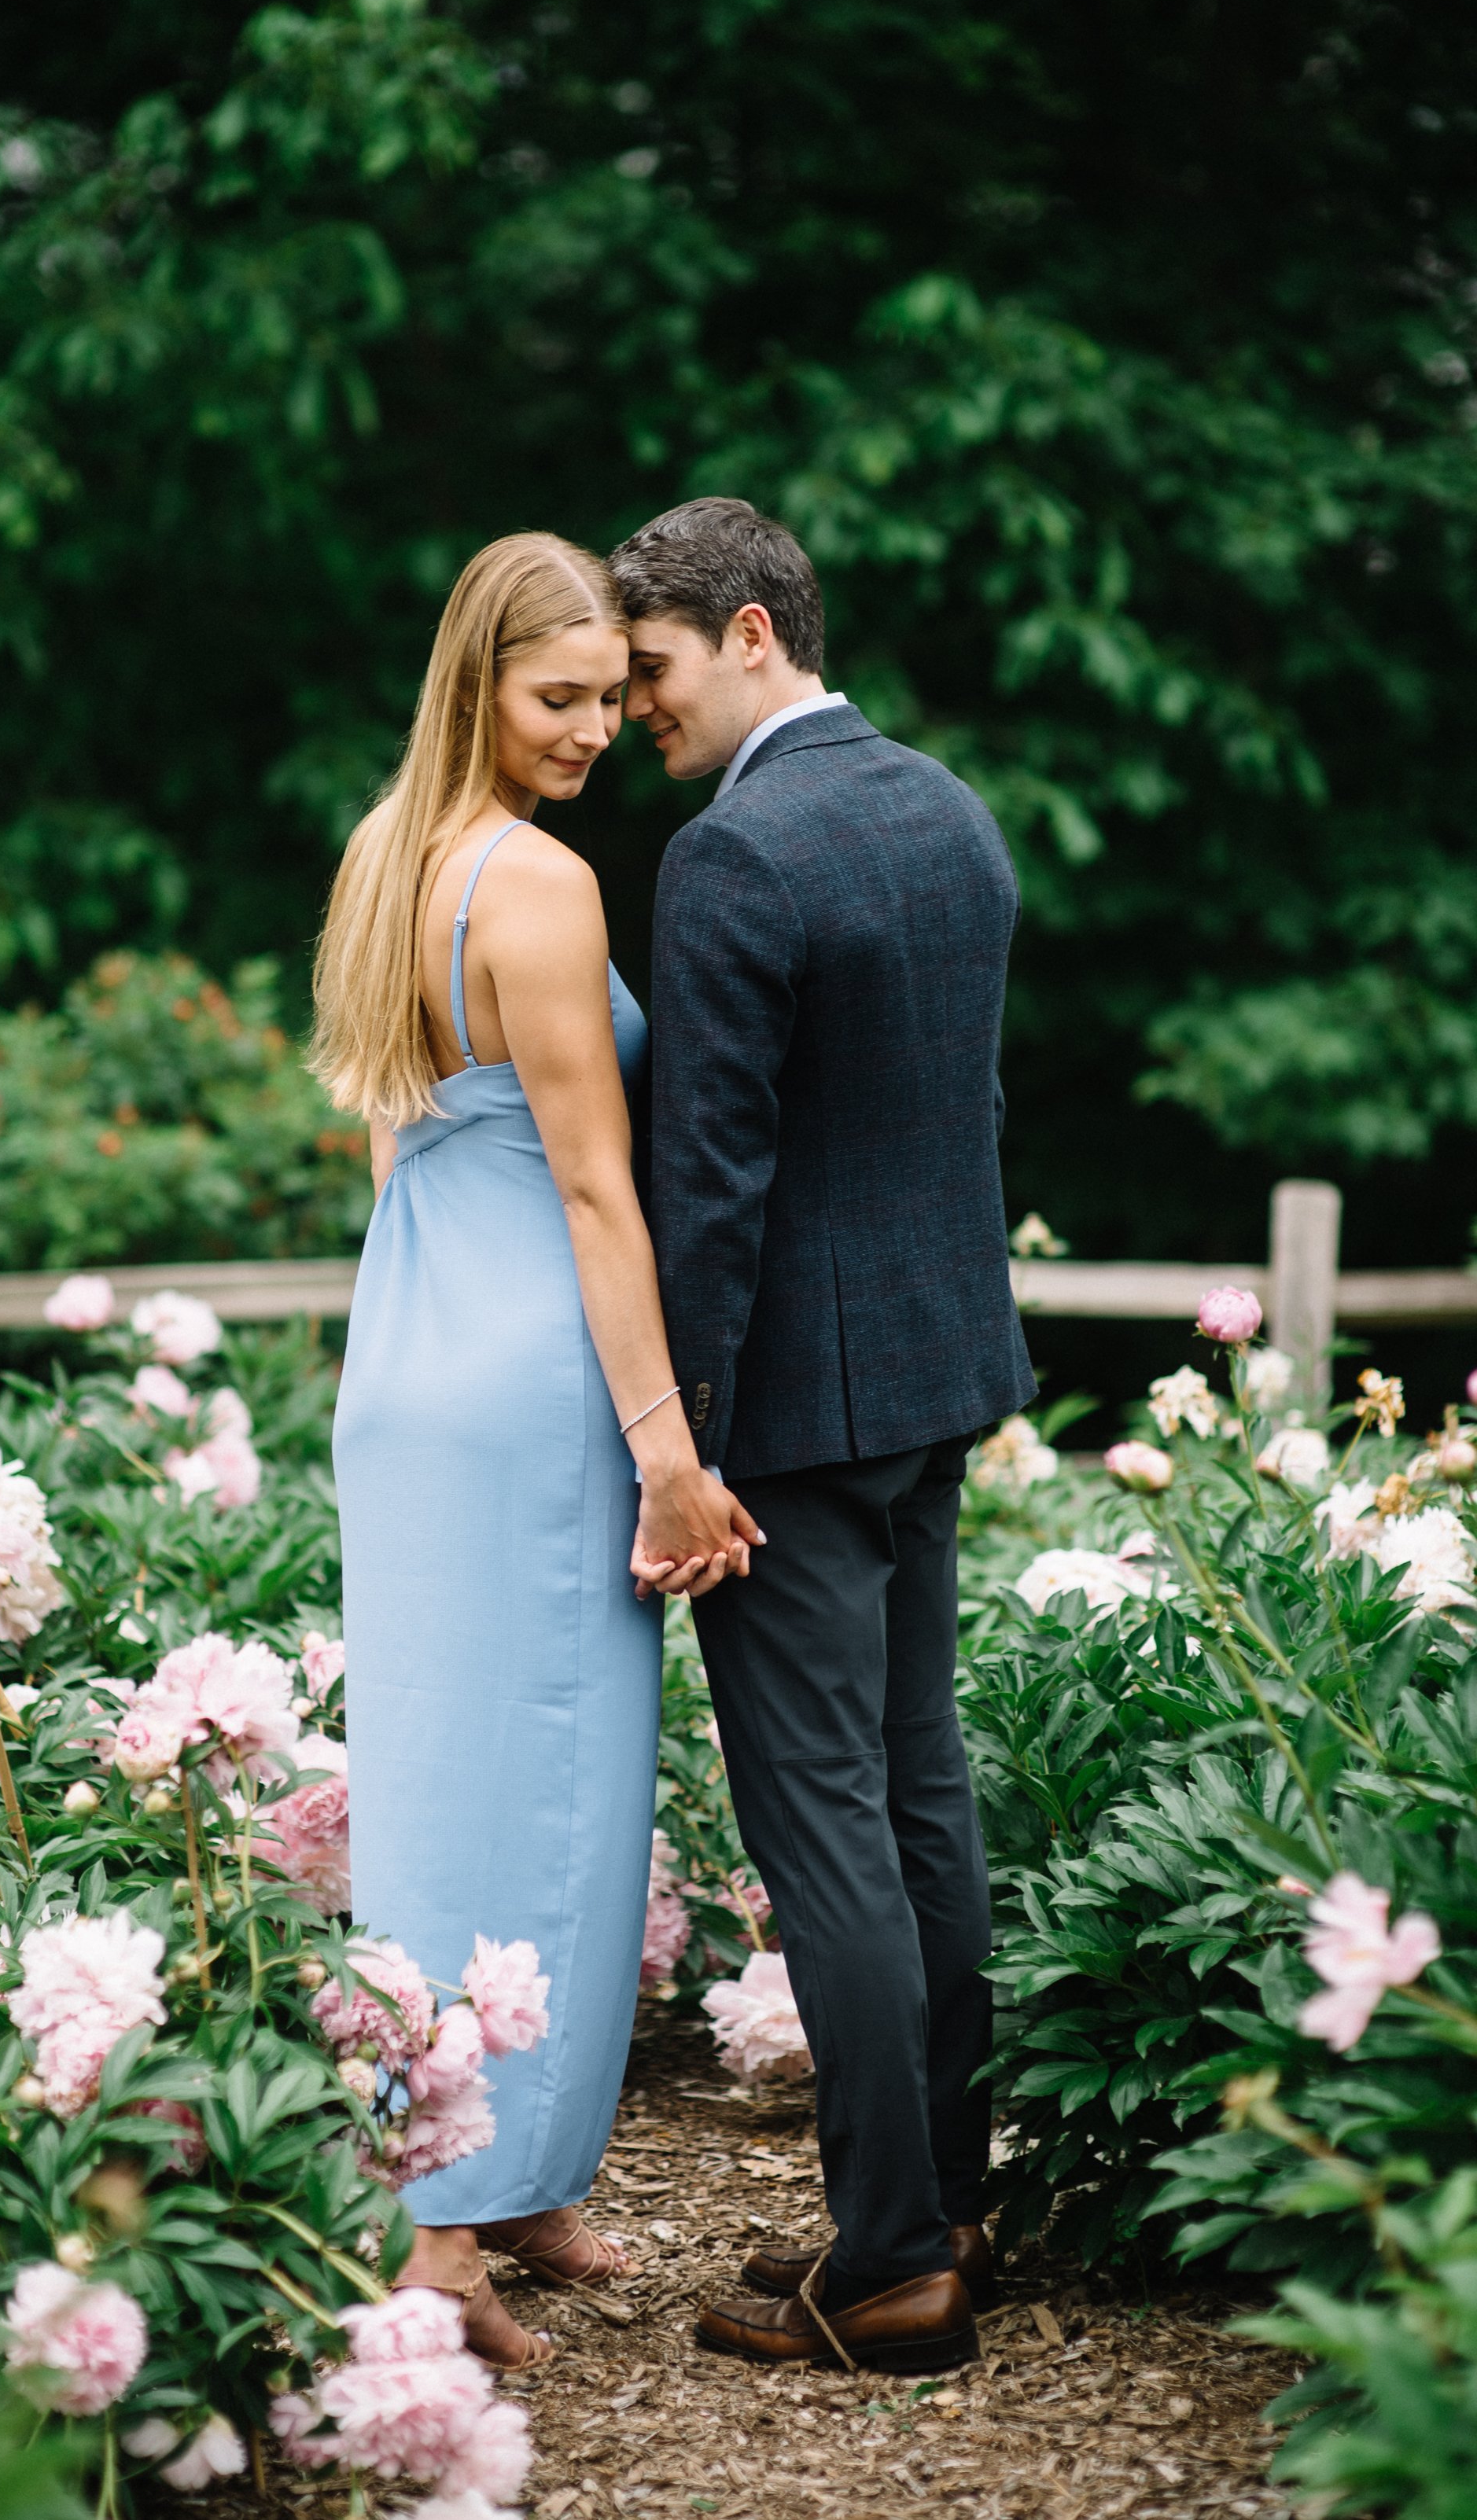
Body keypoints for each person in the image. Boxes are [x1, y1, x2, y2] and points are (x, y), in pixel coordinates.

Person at [311, 532, 761, 2371]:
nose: (592, 726)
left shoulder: (382, 857)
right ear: (476, 687)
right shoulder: (545, 887)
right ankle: (441, 2247)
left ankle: (516, 2179)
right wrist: (666, 1445)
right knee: (551, 1786)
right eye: (555, 696)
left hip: (408, 1346)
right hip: (530, 1376)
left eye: (605, 695)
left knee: (444, 1769)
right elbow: (593, 1185)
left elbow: (389, 1142)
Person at [609, 496, 1037, 2376]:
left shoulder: (731, 855)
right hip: (942, 1379)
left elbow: (710, 1186)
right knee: (919, 1788)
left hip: (784, 1422)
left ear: (754, 632)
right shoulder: (950, 806)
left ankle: (883, 2266)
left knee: (827, 1828)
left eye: (653, 669)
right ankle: (950, 2197)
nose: (635, 711)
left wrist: (677, 1442)